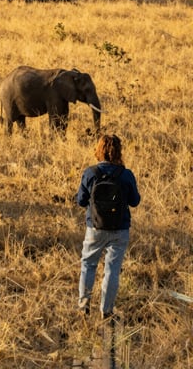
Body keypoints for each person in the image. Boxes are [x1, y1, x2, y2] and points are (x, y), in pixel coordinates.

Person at [76, 134, 141, 320]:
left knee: (88, 264)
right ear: (119, 151)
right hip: (120, 230)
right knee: (112, 270)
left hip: (95, 228)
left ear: (99, 150)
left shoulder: (90, 173)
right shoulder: (126, 175)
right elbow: (135, 201)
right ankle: (106, 310)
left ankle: (83, 306)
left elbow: (81, 201)